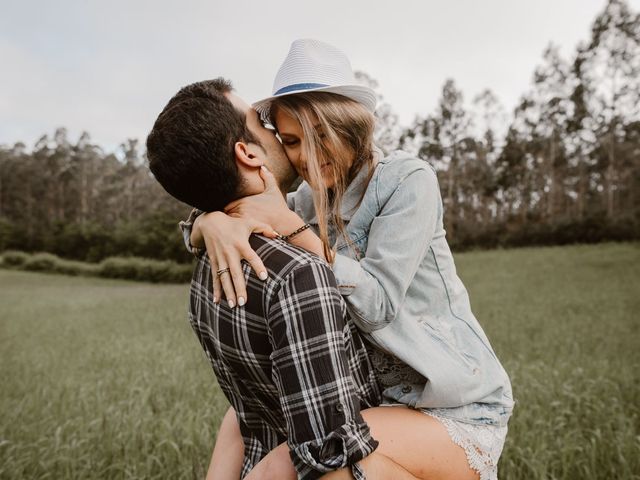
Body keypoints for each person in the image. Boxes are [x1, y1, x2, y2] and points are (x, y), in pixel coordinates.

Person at [184, 39, 514, 480]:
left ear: (352, 126)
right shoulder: (305, 199)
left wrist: (290, 225)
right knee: (237, 420)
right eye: (292, 141)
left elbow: (377, 304)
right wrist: (209, 224)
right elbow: (217, 213)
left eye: (321, 135)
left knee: (283, 466)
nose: (307, 156)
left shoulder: (407, 180)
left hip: (448, 401)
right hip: (373, 397)